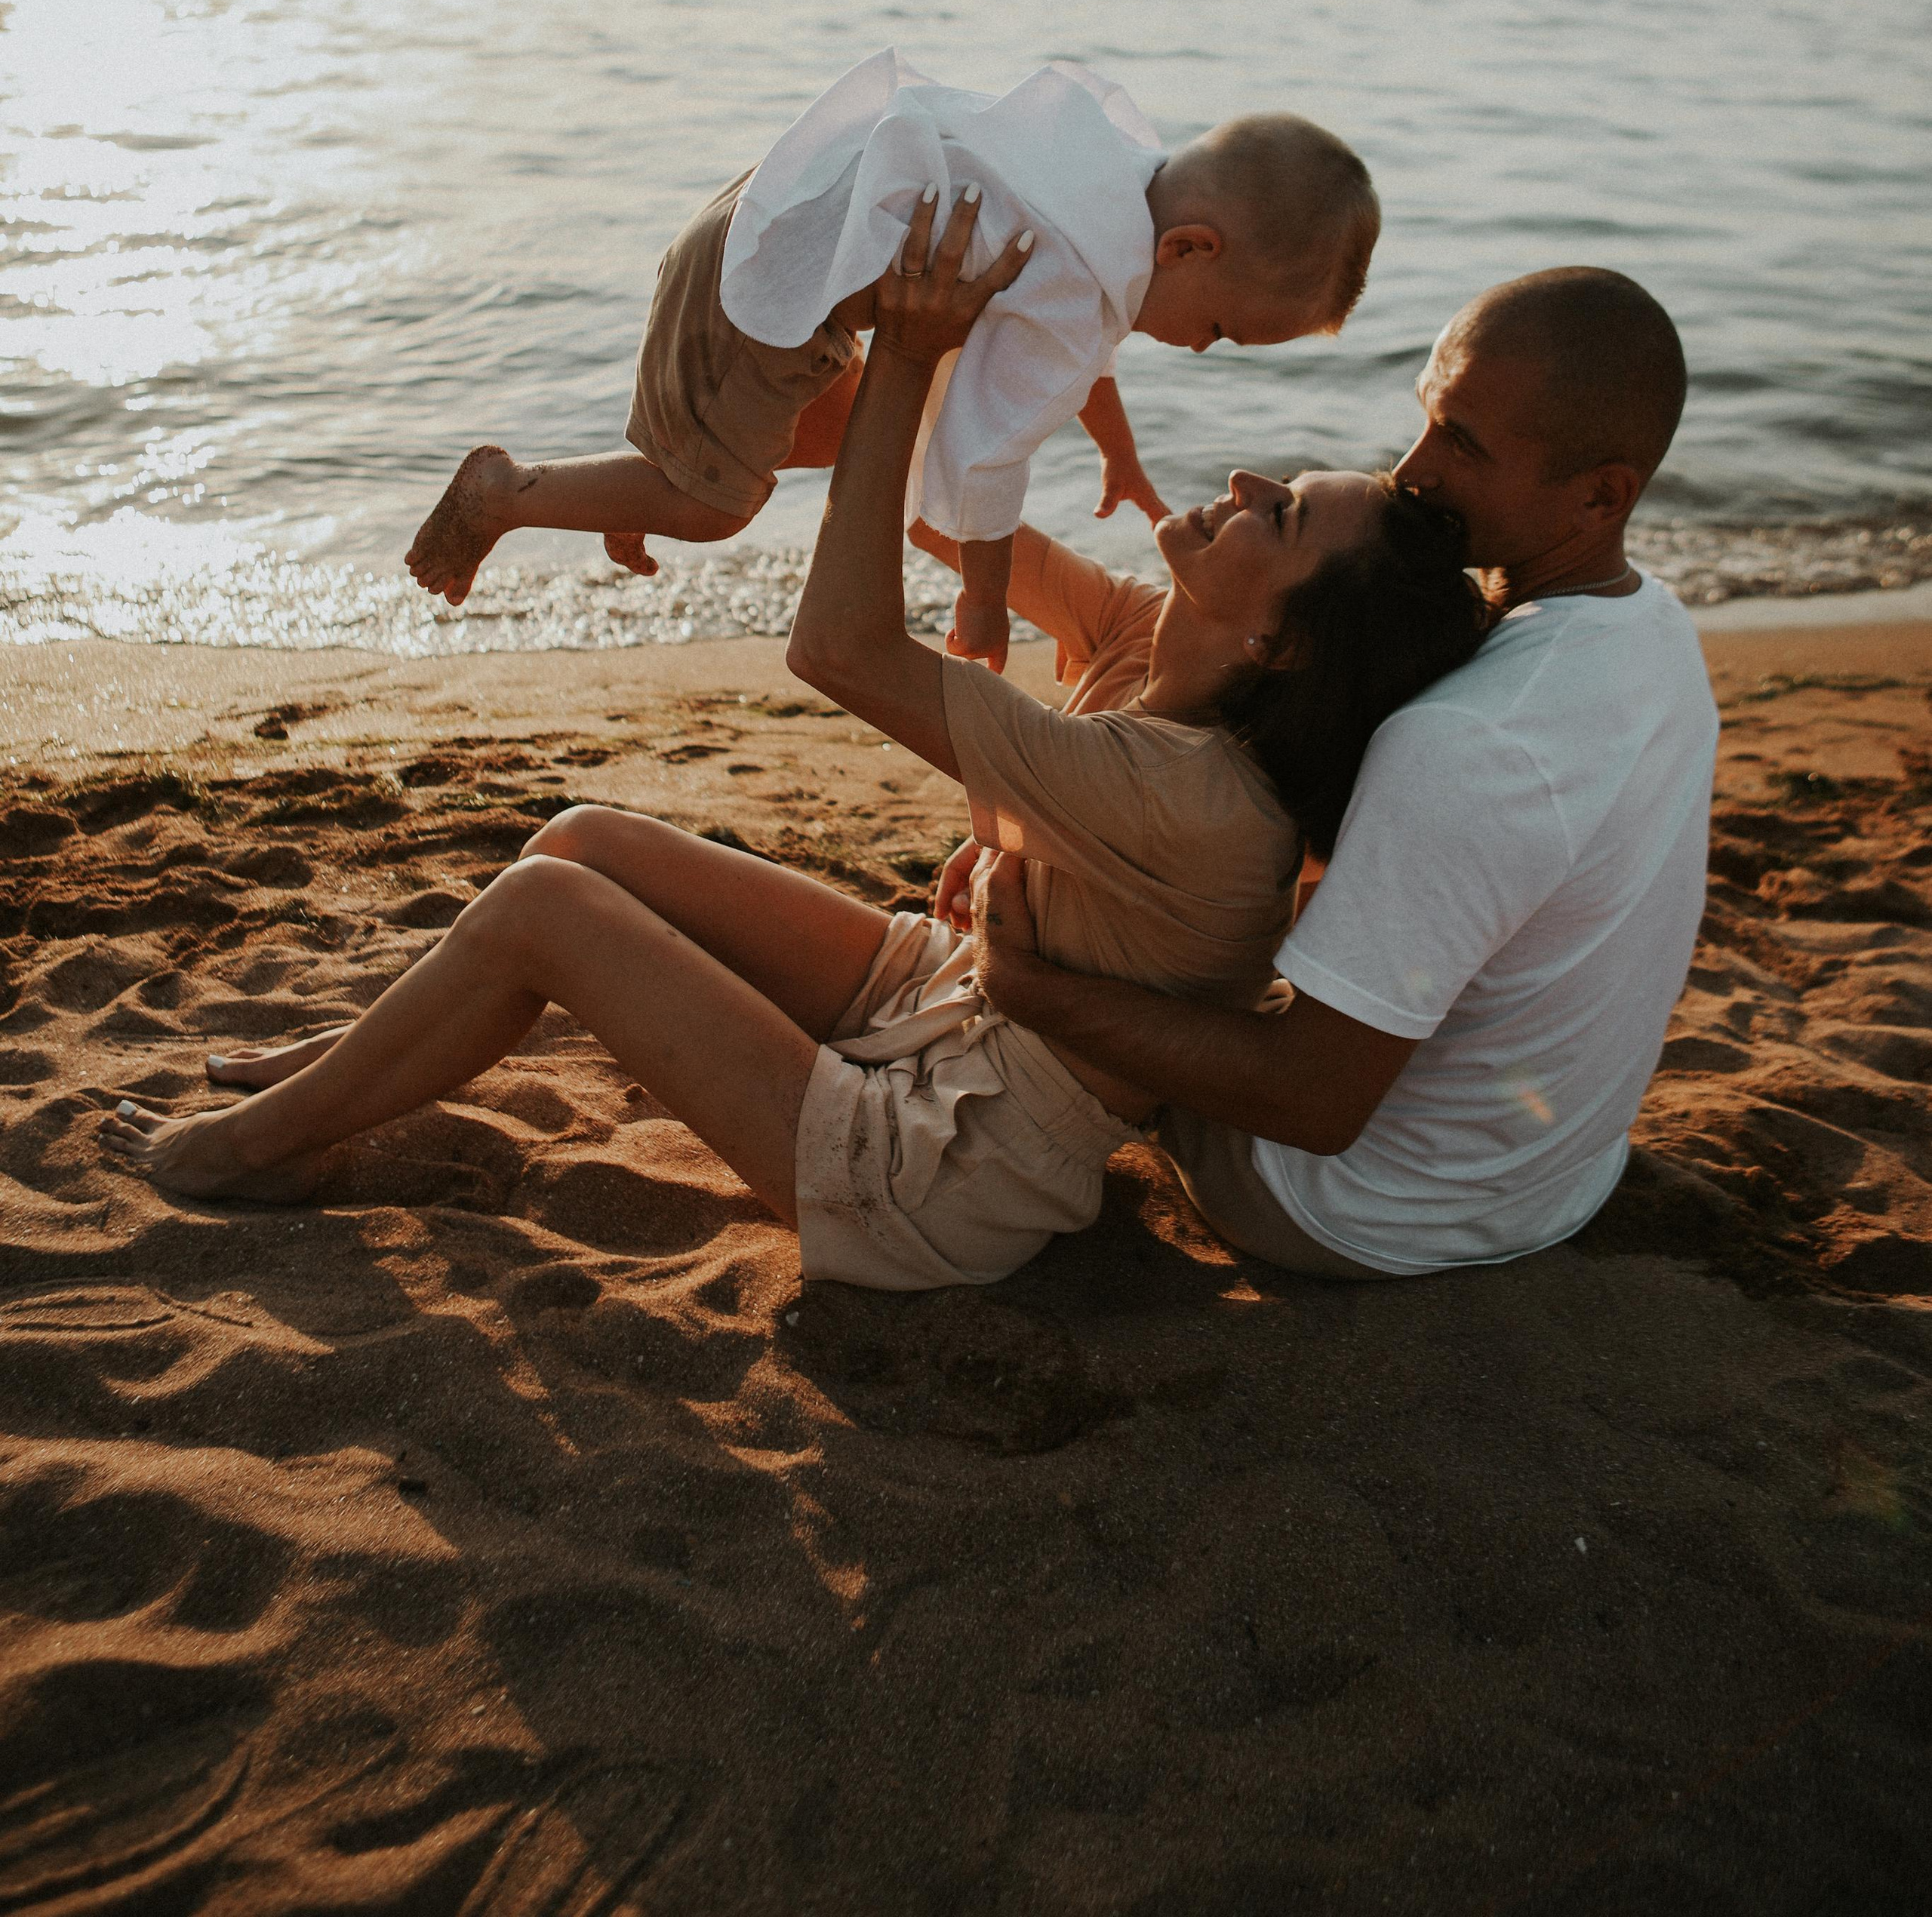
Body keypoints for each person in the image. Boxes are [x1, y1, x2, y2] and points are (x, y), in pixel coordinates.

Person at [104, 193, 1481, 1293]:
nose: (1244, 483)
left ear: (1282, 644)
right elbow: (927, 502)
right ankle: (345, 1066)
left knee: (547, 912)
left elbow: (838, 649)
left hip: (938, 1172)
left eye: (1285, 513)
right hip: (950, 1001)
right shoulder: (1147, 634)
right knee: (578, 842)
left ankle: (249, 1155)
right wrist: (753, 416)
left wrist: (912, 361)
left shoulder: (1198, 796)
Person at [969, 266, 1720, 1281]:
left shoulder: (1467, 742)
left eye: (1463, 445)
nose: (1411, 471)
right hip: (1551, 1177)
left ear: (1601, 494)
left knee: (1114, 915)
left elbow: (1312, 1107)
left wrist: (1031, 987)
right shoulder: (1653, 633)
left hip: (1355, 1209)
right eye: (1428, 419)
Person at [405, 47, 1380, 671]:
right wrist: (985, 602)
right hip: (775, 285)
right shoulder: (1083, 282)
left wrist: (1118, 456)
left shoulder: (1113, 190)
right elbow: (990, 461)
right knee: (713, 507)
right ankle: (512, 491)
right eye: (1220, 332)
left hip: (777, 214)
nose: (1202, 349)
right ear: (1190, 251)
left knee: (847, 434)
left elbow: (1080, 351)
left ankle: (642, 482)